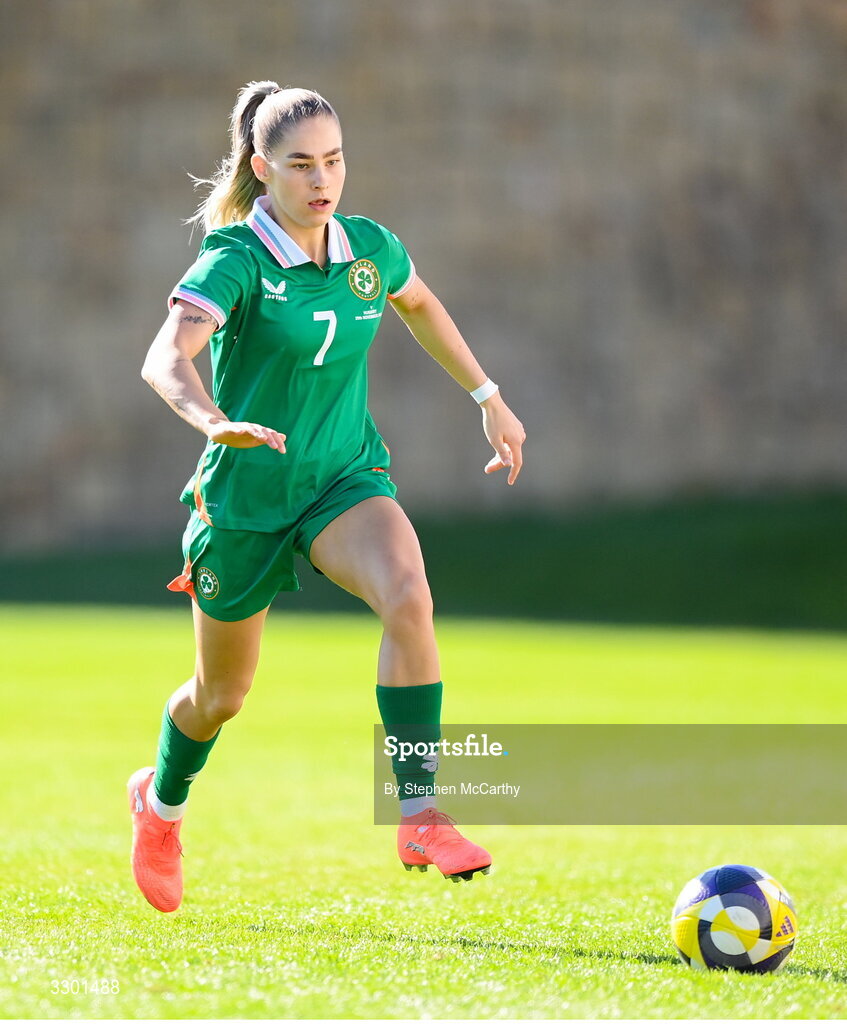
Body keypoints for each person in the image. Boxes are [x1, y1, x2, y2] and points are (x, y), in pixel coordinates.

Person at [129, 80, 526, 913]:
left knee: (408, 592)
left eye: (335, 161)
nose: (322, 180)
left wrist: (487, 397)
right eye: (302, 164)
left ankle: (418, 810)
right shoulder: (235, 260)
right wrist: (212, 420)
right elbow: (165, 358)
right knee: (218, 699)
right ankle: (160, 806)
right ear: (261, 168)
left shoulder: (369, 249)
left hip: (342, 478)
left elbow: (417, 303)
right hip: (244, 498)